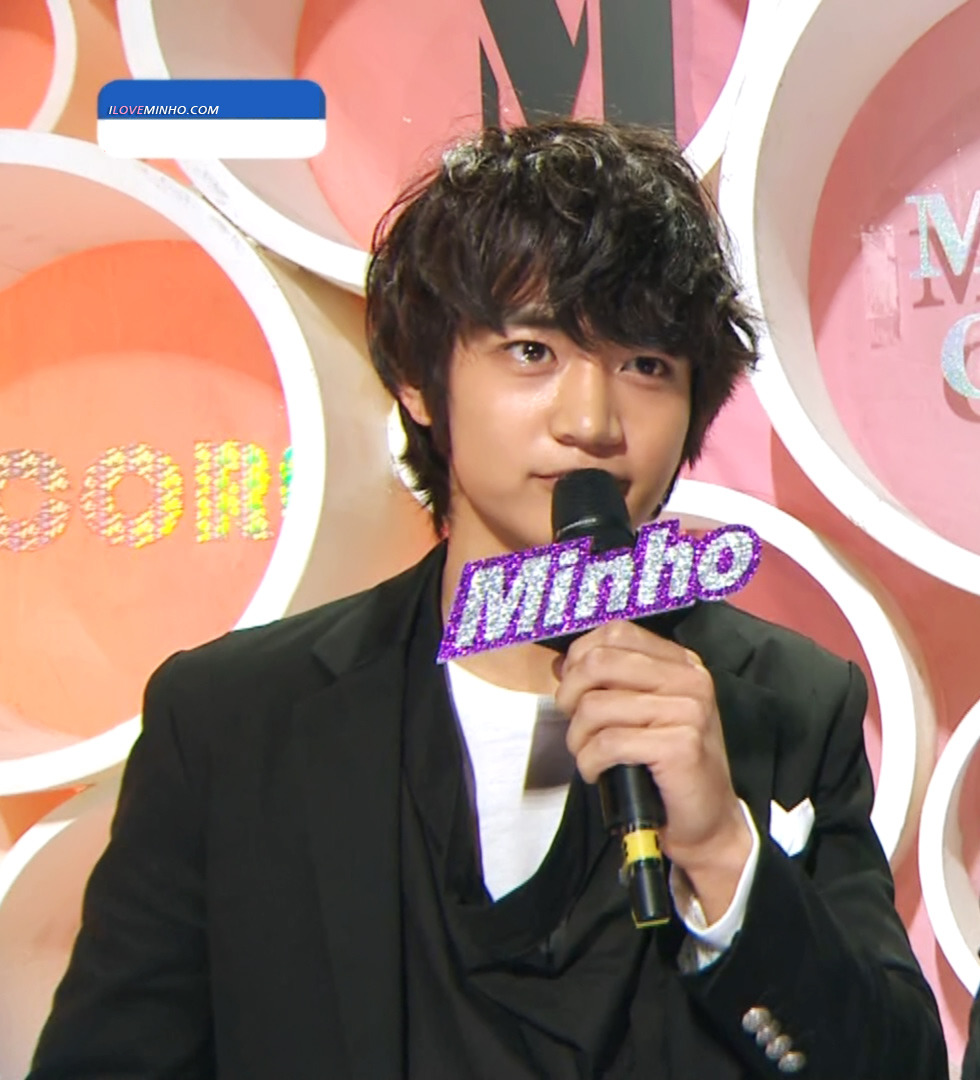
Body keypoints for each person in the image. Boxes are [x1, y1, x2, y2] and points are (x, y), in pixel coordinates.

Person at [28, 120, 946, 1079]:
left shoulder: (791, 705)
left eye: (645, 365)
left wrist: (722, 852)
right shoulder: (233, 722)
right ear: (420, 382)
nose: (591, 421)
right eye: (531, 350)